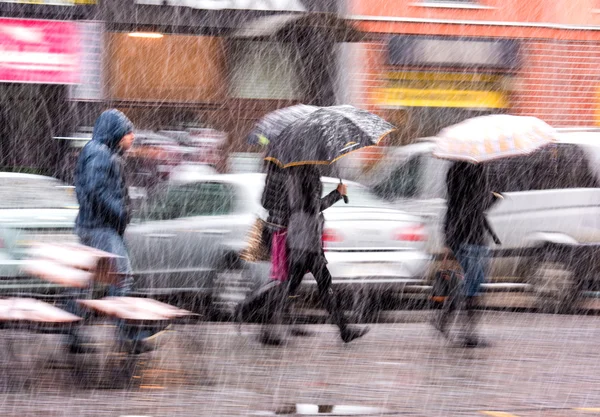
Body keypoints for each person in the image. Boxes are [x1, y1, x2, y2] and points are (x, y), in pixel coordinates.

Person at [65, 109, 155, 355]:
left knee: (84, 281)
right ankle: (128, 334)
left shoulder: (100, 152)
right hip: (101, 228)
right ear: (116, 133)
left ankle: (71, 333)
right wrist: (120, 213)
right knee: (122, 277)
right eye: (128, 132)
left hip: (93, 226)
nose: (132, 137)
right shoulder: (100, 154)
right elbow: (95, 191)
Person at [264, 165, 369, 345]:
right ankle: (265, 325)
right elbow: (311, 206)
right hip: (304, 240)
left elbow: (306, 206)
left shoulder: (299, 171)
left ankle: (343, 329)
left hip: (303, 239)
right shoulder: (304, 173)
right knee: (310, 285)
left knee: (297, 286)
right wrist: (337, 194)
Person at [437, 161, 502, 348]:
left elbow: (470, 204)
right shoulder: (466, 170)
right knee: (472, 288)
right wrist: (495, 195)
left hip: (469, 235)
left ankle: (444, 321)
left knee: (469, 286)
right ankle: (469, 333)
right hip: (467, 236)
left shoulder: (465, 168)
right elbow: (472, 203)